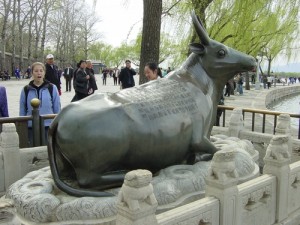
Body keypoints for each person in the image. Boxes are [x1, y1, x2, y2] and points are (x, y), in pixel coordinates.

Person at [19, 62, 61, 146]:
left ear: (44, 73)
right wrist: (22, 127)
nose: (39, 73)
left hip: (48, 125)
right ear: (32, 73)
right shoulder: (26, 90)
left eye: (41, 71)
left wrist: (57, 124)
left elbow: (57, 108)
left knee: (48, 151)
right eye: (36, 71)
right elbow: (22, 109)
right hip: (31, 126)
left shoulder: (52, 88)